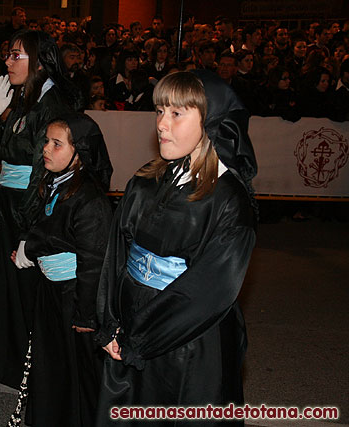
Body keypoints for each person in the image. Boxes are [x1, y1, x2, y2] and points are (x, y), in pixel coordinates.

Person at [96, 70, 257, 426]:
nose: (162, 125)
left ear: (211, 119)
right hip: (132, 328)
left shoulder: (228, 199)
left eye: (177, 113)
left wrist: (140, 337)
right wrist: (109, 322)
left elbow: (209, 289)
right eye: (159, 111)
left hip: (188, 339)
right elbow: (117, 252)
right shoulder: (145, 180)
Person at [0, 30, 83, 388]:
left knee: (30, 286)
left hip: (32, 208)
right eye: (8, 55)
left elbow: (44, 170)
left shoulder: (53, 104)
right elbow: (0, 154)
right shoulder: (26, 100)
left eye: (17, 56)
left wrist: (32, 229)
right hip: (12, 205)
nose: (8, 62)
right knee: (6, 283)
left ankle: (32, 371)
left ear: (40, 62)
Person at [13, 114, 113, 426]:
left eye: (57, 144)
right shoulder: (55, 184)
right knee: (52, 364)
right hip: (52, 290)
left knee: (77, 371)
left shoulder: (89, 198)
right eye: (46, 141)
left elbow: (93, 261)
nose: (46, 148)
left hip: (74, 296)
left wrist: (86, 314)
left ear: (79, 153)